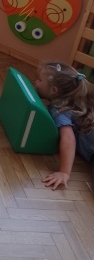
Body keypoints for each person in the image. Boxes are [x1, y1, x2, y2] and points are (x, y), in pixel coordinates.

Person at [34, 61, 94, 190]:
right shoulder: (81, 102)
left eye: (39, 80)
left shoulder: (60, 110)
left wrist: (64, 172)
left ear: (54, 90)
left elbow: (68, 139)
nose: (36, 82)